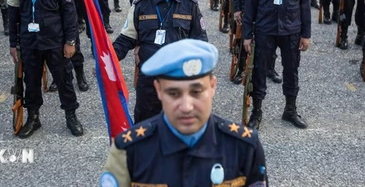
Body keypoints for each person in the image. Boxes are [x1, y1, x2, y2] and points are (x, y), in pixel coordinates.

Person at [101, 39, 268, 186]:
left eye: (196, 92)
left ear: (212, 87)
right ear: (158, 90)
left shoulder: (245, 146)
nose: (186, 107)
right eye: (173, 94)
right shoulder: (128, 150)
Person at [113, 0, 207, 123]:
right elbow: (126, 39)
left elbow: (200, 42)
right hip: (149, 79)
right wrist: (107, 60)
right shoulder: (140, 6)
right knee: (145, 127)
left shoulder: (189, 6)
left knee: (180, 126)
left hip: (180, 79)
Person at [8, 0, 83, 138]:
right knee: (30, 81)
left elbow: (70, 13)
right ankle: (34, 117)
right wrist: (13, 43)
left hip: (55, 41)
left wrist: (70, 41)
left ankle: (71, 116)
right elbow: (13, 14)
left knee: (64, 79)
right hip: (29, 42)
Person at [243, 0, 311, 130]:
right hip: (265, 29)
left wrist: (306, 34)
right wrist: (247, 34)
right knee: (259, 72)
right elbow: (250, 4)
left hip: (291, 30)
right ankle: (257, 111)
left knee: (291, 71)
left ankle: (290, 110)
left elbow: (304, 3)